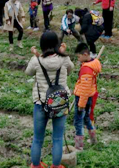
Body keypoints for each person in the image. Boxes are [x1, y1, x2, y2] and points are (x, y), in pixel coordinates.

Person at [25, 31, 74, 168]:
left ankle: (36, 165)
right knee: (58, 138)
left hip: (41, 103)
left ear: (42, 45)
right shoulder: (64, 59)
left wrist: (35, 56)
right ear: (57, 44)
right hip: (60, 103)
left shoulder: (36, 60)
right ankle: (56, 166)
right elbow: (70, 70)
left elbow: (28, 73)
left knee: (38, 139)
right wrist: (62, 53)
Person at [73, 42, 102, 151]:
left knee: (78, 121)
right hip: (90, 96)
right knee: (86, 118)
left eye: (79, 56)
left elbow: (84, 89)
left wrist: (81, 104)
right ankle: (93, 139)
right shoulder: (93, 64)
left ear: (85, 54)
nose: (78, 59)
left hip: (83, 98)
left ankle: (79, 147)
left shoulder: (86, 69)